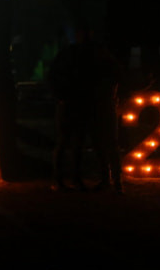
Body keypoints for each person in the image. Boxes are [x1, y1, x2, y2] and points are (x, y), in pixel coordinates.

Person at [48, 24, 123, 193]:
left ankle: (69, 180)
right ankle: (110, 180)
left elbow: (54, 75)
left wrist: (61, 95)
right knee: (97, 142)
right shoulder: (98, 53)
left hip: (78, 102)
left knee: (76, 142)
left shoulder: (72, 53)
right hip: (87, 102)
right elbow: (116, 74)